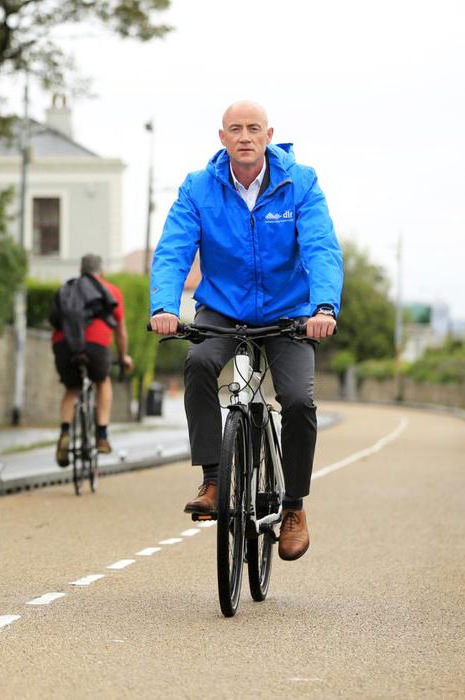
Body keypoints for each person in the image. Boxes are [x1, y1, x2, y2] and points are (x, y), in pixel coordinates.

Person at [149, 100, 342, 561]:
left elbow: (320, 247)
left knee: (297, 400)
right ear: (222, 138)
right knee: (197, 364)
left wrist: (324, 306)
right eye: (235, 129)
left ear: (269, 134)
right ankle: (214, 479)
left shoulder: (301, 182)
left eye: (253, 128)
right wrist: (163, 305)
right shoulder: (199, 188)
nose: (244, 136)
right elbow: (174, 249)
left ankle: (293, 506)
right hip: (222, 310)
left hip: (288, 315)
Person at [53, 254, 133, 466]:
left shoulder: (67, 289)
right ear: (102, 272)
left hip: (64, 344)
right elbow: (120, 331)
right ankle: (102, 435)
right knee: (103, 381)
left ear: (81, 270)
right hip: (96, 344)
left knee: (72, 389)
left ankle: (65, 431)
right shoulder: (110, 290)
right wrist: (123, 355)